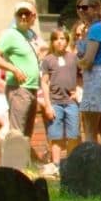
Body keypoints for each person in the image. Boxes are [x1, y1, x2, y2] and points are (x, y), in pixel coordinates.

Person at [0, 0, 42, 138]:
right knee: (17, 133)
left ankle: (23, 160)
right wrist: (14, 69)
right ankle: (15, 160)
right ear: (15, 16)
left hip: (31, 88)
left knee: (26, 134)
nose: (23, 17)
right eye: (20, 14)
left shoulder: (30, 36)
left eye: (27, 14)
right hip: (19, 89)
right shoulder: (10, 34)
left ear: (33, 17)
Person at [74, 0, 101, 147]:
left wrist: (77, 61)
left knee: (90, 129)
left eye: (85, 7)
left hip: (96, 78)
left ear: (97, 8)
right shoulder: (97, 28)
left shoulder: (96, 29)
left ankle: (92, 166)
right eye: (78, 7)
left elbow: (89, 60)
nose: (81, 11)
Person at [40, 28, 79, 175]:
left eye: (62, 38)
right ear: (52, 42)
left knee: (73, 134)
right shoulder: (48, 60)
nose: (59, 41)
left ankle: (71, 163)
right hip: (55, 102)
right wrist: (48, 105)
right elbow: (44, 82)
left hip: (71, 102)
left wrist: (79, 91)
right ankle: (56, 164)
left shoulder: (73, 58)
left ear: (67, 41)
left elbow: (82, 75)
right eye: (56, 39)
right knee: (56, 135)